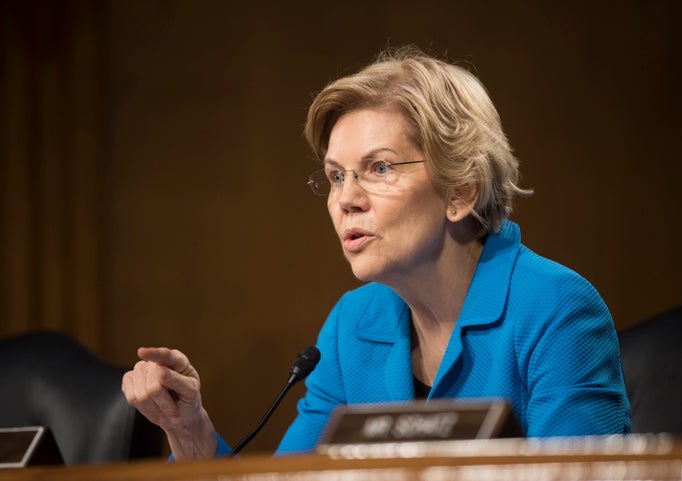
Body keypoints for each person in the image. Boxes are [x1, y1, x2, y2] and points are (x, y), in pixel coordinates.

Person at [122, 46, 631, 460]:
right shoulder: (352, 326)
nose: (346, 198)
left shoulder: (556, 309)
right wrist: (190, 432)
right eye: (337, 176)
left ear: (462, 191)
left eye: (380, 168)